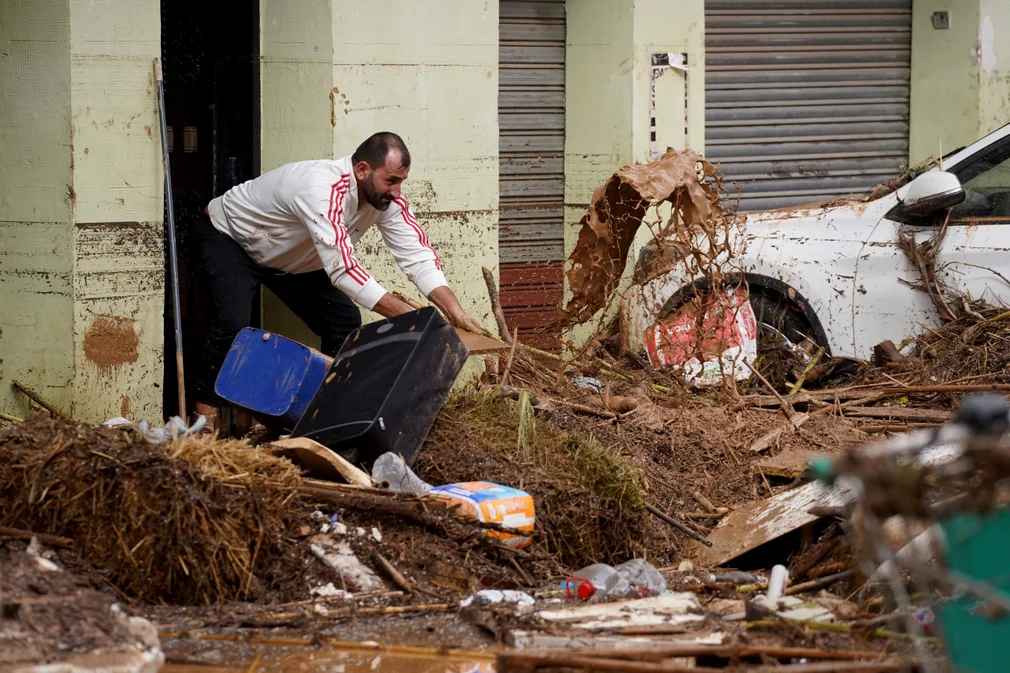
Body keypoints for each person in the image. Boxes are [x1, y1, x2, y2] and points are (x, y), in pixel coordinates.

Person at [192, 131, 482, 426]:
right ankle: (202, 421)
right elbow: (344, 269)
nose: (397, 191)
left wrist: (453, 310)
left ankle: (324, 416)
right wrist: (417, 320)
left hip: (290, 256)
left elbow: (416, 254)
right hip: (231, 239)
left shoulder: (386, 200)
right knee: (232, 323)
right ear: (362, 170)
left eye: (401, 182)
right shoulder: (321, 187)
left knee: (343, 322)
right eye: (391, 180)